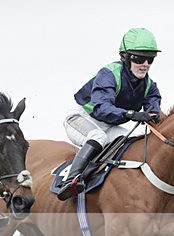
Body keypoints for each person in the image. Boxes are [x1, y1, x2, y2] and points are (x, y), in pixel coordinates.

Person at [57, 27, 163, 200]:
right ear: (125, 57)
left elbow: (154, 107)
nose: (145, 64)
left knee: (134, 142)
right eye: (139, 58)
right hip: (81, 118)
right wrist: (132, 114)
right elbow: (102, 108)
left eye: (150, 59)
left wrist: (154, 115)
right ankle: (70, 181)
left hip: (109, 126)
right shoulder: (109, 74)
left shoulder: (149, 85)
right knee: (98, 137)